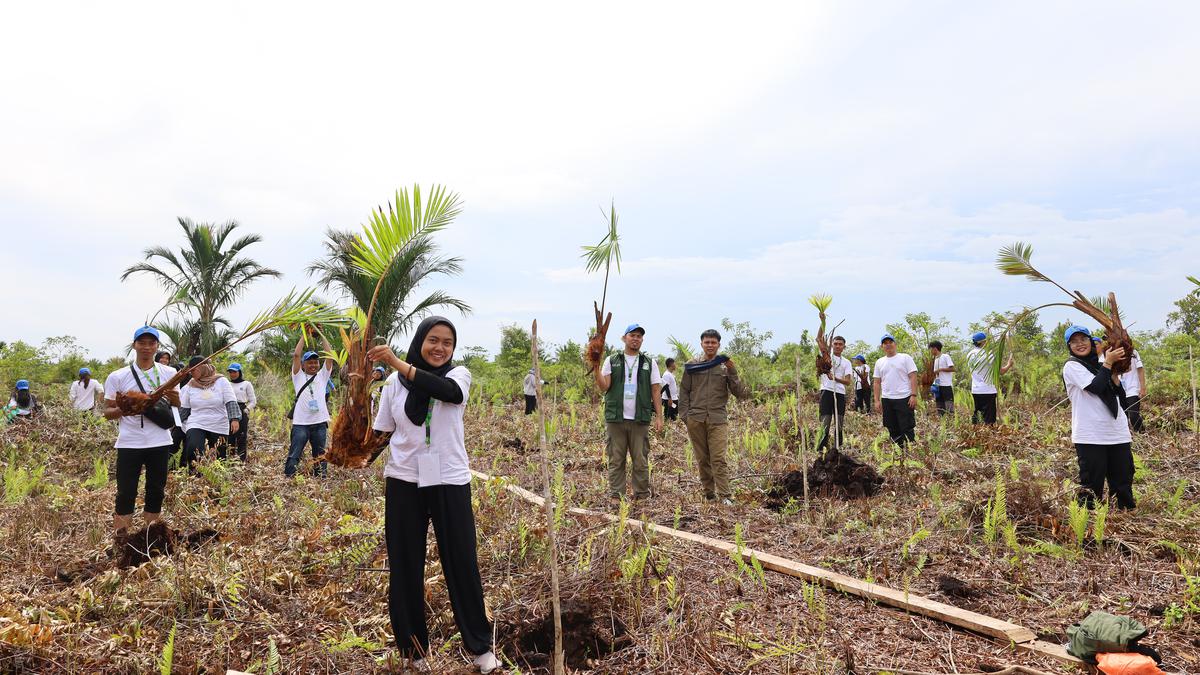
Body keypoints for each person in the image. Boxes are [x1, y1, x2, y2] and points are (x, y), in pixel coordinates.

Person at [367, 317, 500, 673]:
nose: (440, 348)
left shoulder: (458, 376)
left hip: (449, 481)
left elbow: (450, 395)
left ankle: (480, 648)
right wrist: (352, 450)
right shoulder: (393, 385)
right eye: (433, 340)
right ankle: (414, 652)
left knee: (462, 563)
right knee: (405, 565)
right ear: (420, 341)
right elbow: (382, 434)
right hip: (404, 482)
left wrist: (397, 363)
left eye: (447, 342)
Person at [102, 326, 181, 540]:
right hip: (129, 442)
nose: (147, 347)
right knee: (125, 491)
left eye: (151, 343)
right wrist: (126, 408)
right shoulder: (118, 376)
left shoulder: (169, 373)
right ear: (134, 345)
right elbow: (107, 412)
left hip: (159, 440)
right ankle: (121, 539)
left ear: (157, 346)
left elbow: (178, 402)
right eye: (142, 343)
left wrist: (164, 397)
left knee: (156, 489)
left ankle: (151, 537)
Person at [1062, 325, 1135, 509]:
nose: (1080, 344)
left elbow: (1120, 396)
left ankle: (1125, 515)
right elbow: (1095, 387)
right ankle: (1088, 525)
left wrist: (1115, 377)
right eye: (1074, 342)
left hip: (1117, 432)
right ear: (1069, 346)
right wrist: (1109, 364)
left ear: (1092, 342)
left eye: (1084, 340)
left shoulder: (1102, 364)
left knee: (1123, 479)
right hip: (1091, 435)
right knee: (1092, 484)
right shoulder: (1072, 366)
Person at [594, 323, 663, 502]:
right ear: (624, 338)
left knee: (640, 459)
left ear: (642, 340)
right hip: (616, 418)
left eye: (639, 336)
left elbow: (656, 390)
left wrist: (659, 417)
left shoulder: (649, 362)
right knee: (616, 459)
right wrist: (595, 368)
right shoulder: (612, 360)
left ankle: (641, 495)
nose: (636, 339)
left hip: (640, 419)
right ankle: (617, 496)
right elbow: (604, 386)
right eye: (632, 335)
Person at [679, 328, 749, 504]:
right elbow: (684, 391)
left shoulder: (725, 366)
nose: (710, 345)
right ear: (701, 344)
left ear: (719, 344)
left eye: (713, 342)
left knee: (718, 458)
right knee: (703, 459)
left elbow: (739, 393)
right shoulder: (692, 365)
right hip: (696, 418)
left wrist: (733, 372)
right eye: (707, 342)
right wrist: (685, 416)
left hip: (717, 419)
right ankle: (709, 494)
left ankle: (725, 495)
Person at [286, 334, 334, 477]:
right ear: (303, 364)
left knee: (320, 455)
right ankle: (289, 478)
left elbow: (330, 355)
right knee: (295, 453)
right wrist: (304, 334)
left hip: (320, 423)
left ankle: (320, 479)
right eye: (309, 362)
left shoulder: (322, 376)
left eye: (315, 362)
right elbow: (296, 355)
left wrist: (321, 334)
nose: (313, 365)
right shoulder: (298, 376)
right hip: (301, 424)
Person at [180, 357, 240, 467]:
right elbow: (184, 407)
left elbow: (230, 400)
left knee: (219, 455)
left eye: (194, 370)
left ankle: (216, 478)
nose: (192, 373)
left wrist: (234, 419)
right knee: (193, 448)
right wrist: (175, 423)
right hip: (196, 421)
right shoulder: (191, 384)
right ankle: (196, 476)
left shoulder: (221, 381)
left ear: (204, 368)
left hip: (218, 422)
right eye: (191, 371)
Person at [873, 335, 918, 446]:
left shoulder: (905, 358)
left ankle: (910, 451)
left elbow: (913, 376)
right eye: (885, 343)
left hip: (904, 398)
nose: (888, 344)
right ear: (882, 346)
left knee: (906, 426)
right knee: (891, 426)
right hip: (887, 399)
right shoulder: (879, 362)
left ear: (895, 344)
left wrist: (913, 395)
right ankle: (897, 451)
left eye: (890, 342)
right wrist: (877, 400)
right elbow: (877, 382)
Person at [816, 336, 853, 456]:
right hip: (826, 391)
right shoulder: (826, 357)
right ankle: (821, 449)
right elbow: (818, 338)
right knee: (825, 420)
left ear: (844, 347)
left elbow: (848, 381)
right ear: (832, 345)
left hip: (840, 393)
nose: (837, 346)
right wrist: (822, 320)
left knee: (839, 421)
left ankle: (838, 448)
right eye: (835, 344)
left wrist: (835, 378)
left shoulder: (846, 362)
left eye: (840, 344)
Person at [966, 332, 1012, 425]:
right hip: (988, 390)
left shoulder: (969, 354)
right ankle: (988, 435)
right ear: (983, 342)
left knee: (978, 415)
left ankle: (977, 435)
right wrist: (1009, 365)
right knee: (989, 419)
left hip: (975, 390)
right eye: (986, 341)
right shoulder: (989, 355)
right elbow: (1001, 371)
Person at [227, 363, 257, 461]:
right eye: (230, 372)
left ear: (239, 372)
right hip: (229, 410)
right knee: (229, 436)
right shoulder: (227, 384)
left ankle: (241, 460)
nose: (232, 374)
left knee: (241, 436)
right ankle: (230, 460)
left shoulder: (246, 384)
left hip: (241, 409)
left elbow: (253, 401)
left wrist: (246, 409)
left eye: (234, 372)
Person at [1120, 349, 1146, 433]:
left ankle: (1141, 433)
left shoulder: (1133, 352)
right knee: (1123, 416)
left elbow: (1140, 369)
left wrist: (1142, 388)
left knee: (1133, 415)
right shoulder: (1111, 353)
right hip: (1120, 390)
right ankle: (1128, 437)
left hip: (1133, 389)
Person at [929, 341, 955, 416]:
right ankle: (942, 422)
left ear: (935, 349)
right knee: (939, 406)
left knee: (949, 406)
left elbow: (953, 369)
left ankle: (951, 422)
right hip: (938, 386)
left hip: (946, 385)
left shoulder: (945, 356)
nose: (930, 351)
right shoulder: (936, 359)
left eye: (931, 349)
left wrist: (941, 369)